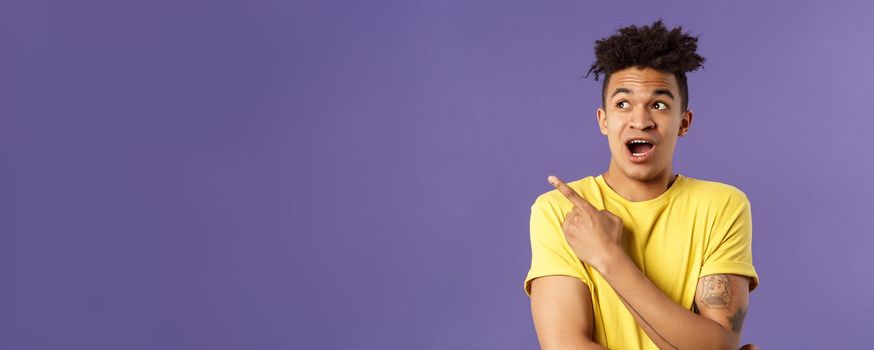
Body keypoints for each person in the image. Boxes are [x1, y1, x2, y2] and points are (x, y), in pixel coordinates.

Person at [523, 19, 761, 350]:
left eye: (659, 104)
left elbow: (716, 344)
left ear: (684, 122)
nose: (641, 120)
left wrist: (608, 256)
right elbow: (565, 345)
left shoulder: (722, 206)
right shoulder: (560, 211)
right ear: (603, 121)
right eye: (623, 104)